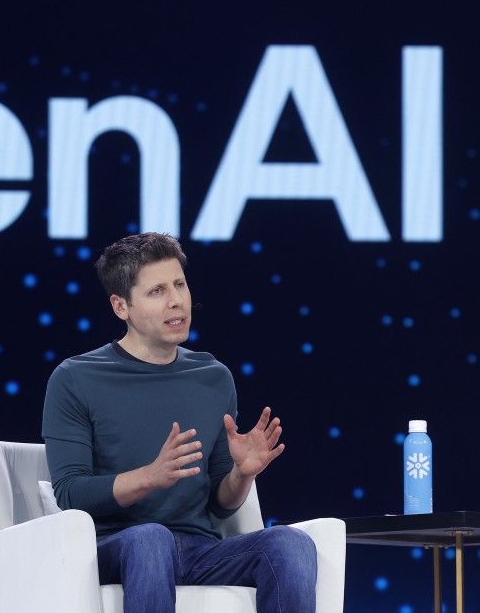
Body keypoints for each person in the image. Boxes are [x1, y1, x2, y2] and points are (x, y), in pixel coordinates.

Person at [42, 232, 317, 613]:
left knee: (291, 543)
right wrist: (149, 477)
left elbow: (220, 507)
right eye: (157, 291)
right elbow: (70, 494)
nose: (176, 301)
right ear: (121, 306)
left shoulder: (213, 376)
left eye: (180, 285)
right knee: (151, 540)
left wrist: (242, 474)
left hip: (200, 549)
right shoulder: (76, 378)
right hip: (117, 546)